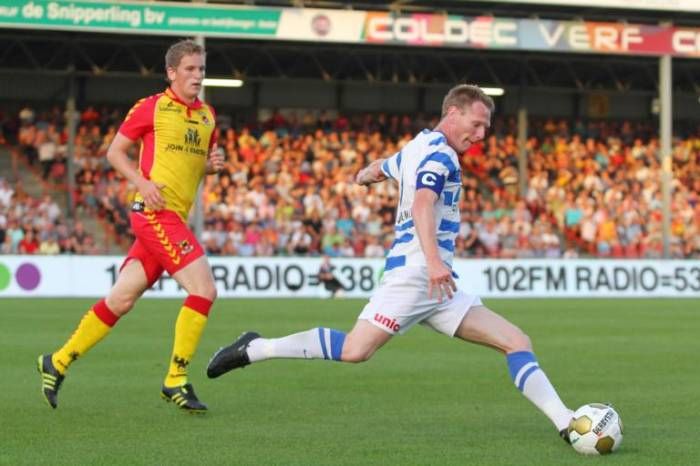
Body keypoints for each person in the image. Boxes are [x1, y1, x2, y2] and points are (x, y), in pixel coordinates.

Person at [207, 84, 574, 442]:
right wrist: (432, 261)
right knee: (355, 350)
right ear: (453, 113)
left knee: (515, 340)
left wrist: (367, 174)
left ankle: (567, 423)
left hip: (439, 284)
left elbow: (387, 165)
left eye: (485, 129)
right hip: (417, 275)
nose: (480, 135)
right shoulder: (442, 155)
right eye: (476, 125)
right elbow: (422, 203)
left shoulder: (416, 146)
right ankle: (255, 348)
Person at [37, 40, 224, 412]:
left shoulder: (207, 117)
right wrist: (142, 183)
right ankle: (175, 379)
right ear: (171, 73)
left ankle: (56, 361)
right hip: (154, 213)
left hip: (173, 217)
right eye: (190, 69)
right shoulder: (152, 107)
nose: (197, 76)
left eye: (201, 69)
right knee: (204, 290)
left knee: (121, 299)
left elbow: (190, 166)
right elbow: (114, 152)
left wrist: (209, 165)